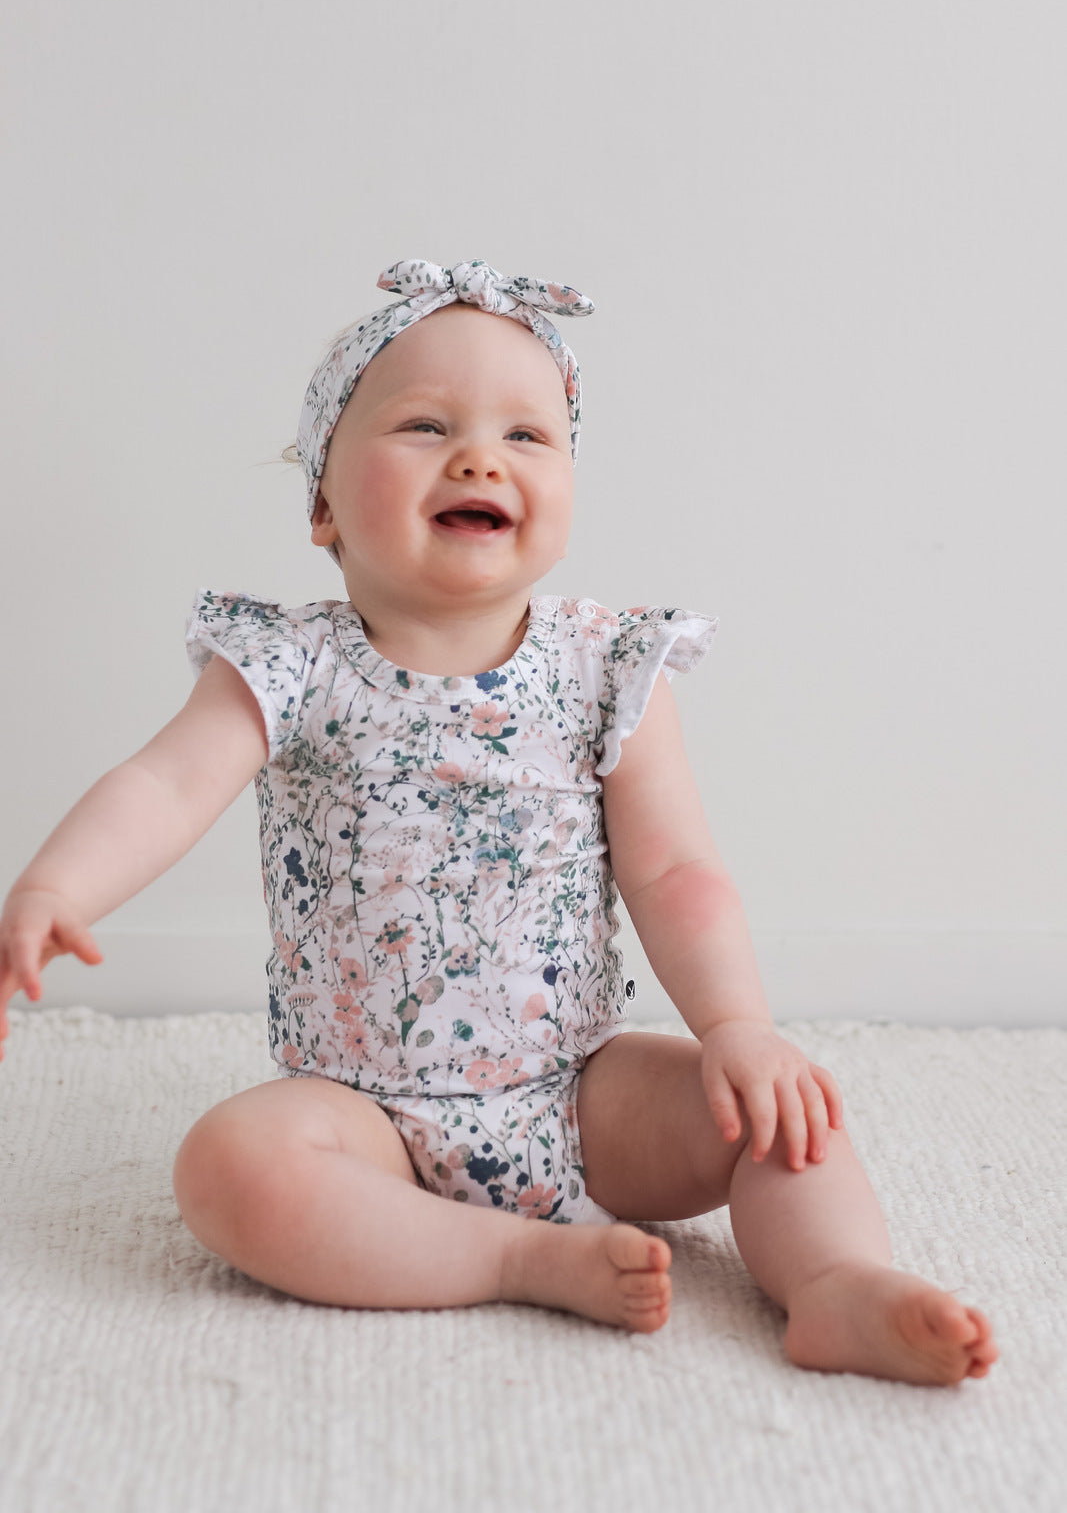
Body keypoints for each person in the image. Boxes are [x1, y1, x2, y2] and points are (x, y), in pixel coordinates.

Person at [0, 258, 998, 1385]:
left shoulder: (606, 663)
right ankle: (516, 1258)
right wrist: (52, 890)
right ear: (322, 503)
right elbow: (162, 786)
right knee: (230, 1166)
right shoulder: (286, 662)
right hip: (358, 1109)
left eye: (528, 436)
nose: (479, 455)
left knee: (782, 1110)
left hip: (580, 1091)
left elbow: (675, 872)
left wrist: (736, 1027)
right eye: (424, 425)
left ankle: (833, 1285)